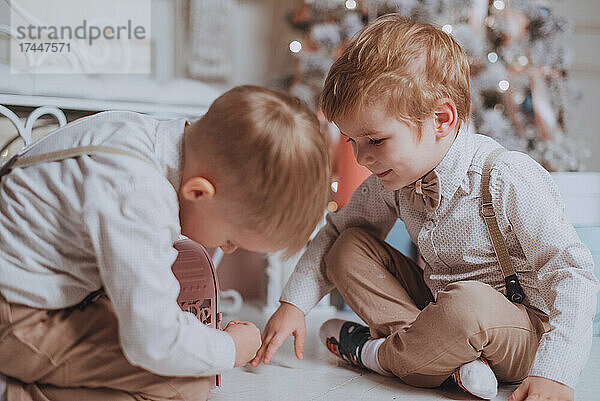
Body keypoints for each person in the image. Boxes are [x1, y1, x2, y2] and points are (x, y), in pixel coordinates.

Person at [252, 15, 598, 401]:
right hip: (437, 317)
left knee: (467, 303)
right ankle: (448, 365)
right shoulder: (395, 181)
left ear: (441, 119)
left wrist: (556, 371)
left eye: (376, 140)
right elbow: (334, 232)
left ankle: (374, 354)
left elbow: (572, 272)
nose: (363, 156)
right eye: (352, 141)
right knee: (346, 246)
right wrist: (293, 303)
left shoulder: (505, 176)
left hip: (517, 333)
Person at [0, 85, 330, 401]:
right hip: (17, 318)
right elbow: (153, 341)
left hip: (30, 293)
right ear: (198, 192)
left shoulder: (139, 134)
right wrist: (229, 347)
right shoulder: (139, 195)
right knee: (183, 387)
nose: (227, 249)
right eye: (231, 240)